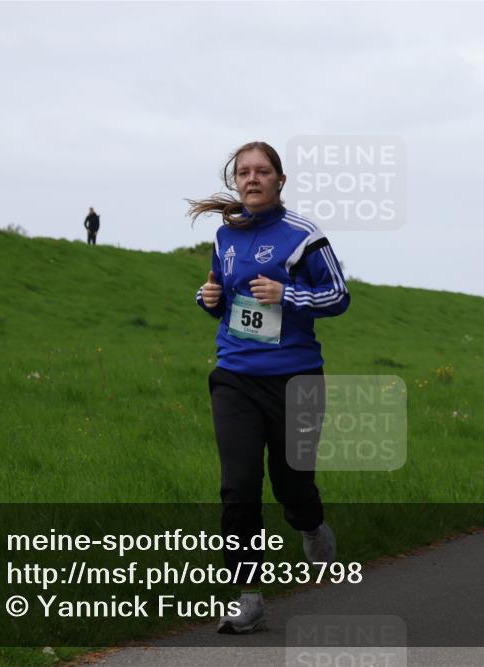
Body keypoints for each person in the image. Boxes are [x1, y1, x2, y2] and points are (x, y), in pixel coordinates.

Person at [190, 141, 350, 634]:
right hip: (235, 375)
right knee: (238, 488)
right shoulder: (225, 234)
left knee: (291, 485)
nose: (252, 179)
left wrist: (289, 294)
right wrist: (207, 297)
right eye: (244, 172)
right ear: (235, 181)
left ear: (281, 180)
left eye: (262, 171)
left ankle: (311, 526)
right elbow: (222, 296)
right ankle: (248, 596)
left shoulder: (304, 235)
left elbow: (339, 296)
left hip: (296, 378)